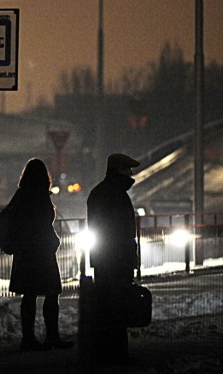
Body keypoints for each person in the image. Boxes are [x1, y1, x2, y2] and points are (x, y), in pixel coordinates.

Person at [8, 158, 74, 351]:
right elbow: (43, 223)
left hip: (25, 253)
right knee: (51, 295)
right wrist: (53, 240)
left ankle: (28, 338)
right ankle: (51, 337)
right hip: (42, 253)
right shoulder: (40, 195)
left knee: (29, 296)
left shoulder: (21, 195)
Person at [86, 153, 141, 363]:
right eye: (128, 170)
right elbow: (123, 232)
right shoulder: (118, 195)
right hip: (118, 259)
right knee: (118, 308)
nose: (131, 174)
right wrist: (130, 258)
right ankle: (118, 353)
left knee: (106, 307)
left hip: (103, 259)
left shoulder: (98, 193)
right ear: (119, 170)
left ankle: (104, 351)